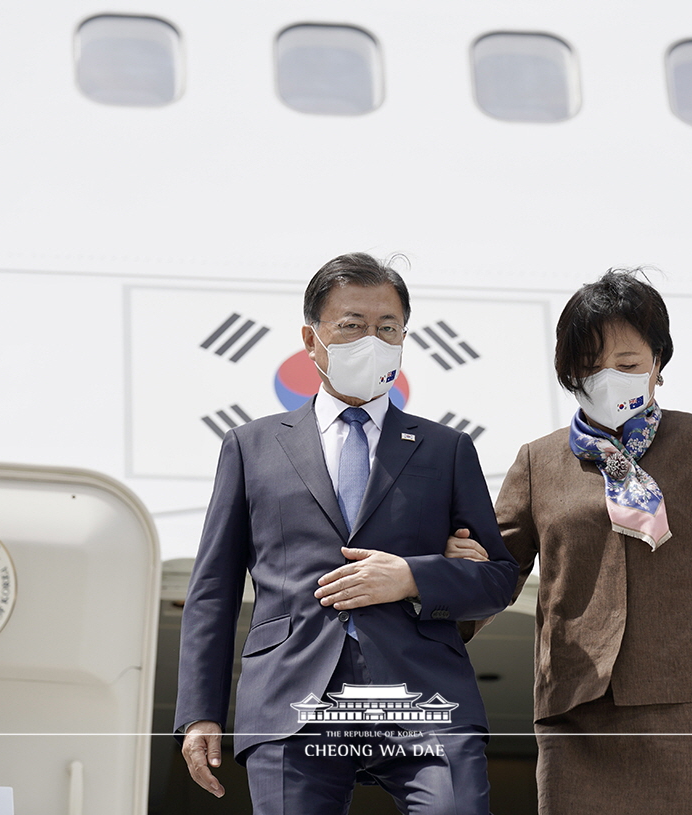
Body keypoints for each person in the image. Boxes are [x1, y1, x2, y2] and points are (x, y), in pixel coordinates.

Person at [448, 269, 692, 815]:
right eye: (593, 366)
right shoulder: (538, 462)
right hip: (576, 702)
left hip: (684, 697)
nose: (611, 379)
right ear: (569, 372)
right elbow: (498, 573)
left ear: (658, 366)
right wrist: (451, 586)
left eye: (629, 364)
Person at [174, 252, 518, 815]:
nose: (373, 341)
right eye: (353, 326)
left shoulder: (446, 449)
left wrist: (412, 576)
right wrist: (200, 712)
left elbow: (499, 579)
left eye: (388, 329)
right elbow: (212, 589)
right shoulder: (251, 446)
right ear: (311, 340)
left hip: (423, 692)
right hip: (293, 694)